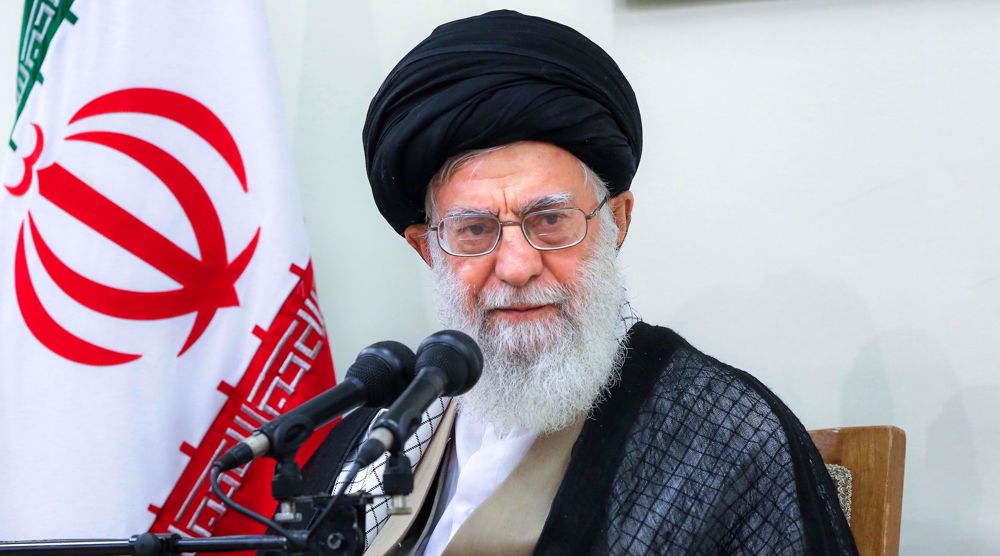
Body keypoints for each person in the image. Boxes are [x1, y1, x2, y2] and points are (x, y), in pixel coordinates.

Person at [301, 10, 857, 555]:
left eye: (549, 220)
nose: (517, 267)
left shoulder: (723, 442)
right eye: (474, 229)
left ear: (617, 223)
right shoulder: (375, 437)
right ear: (428, 249)